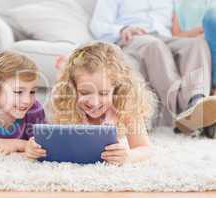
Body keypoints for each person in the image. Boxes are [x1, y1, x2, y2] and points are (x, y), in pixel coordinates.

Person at [89, 0, 216, 135]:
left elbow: (176, 29)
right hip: (134, 39)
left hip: (166, 39)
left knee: (197, 44)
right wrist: (122, 29)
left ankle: (196, 101)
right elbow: (98, 25)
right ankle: (183, 115)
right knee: (155, 45)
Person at [26, 42, 155, 165]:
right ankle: (63, 68)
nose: (94, 102)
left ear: (117, 89)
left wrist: (129, 156)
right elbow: (51, 142)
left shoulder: (125, 105)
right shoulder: (68, 104)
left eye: (103, 93)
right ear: (73, 89)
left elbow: (145, 148)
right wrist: (33, 148)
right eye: (84, 92)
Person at [172, 0, 216, 138]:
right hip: (196, 45)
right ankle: (206, 110)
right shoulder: (182, 5)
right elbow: (174, 35)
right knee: (210, 20)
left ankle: (208, 111)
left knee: (211, 17)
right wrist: (194, 33)